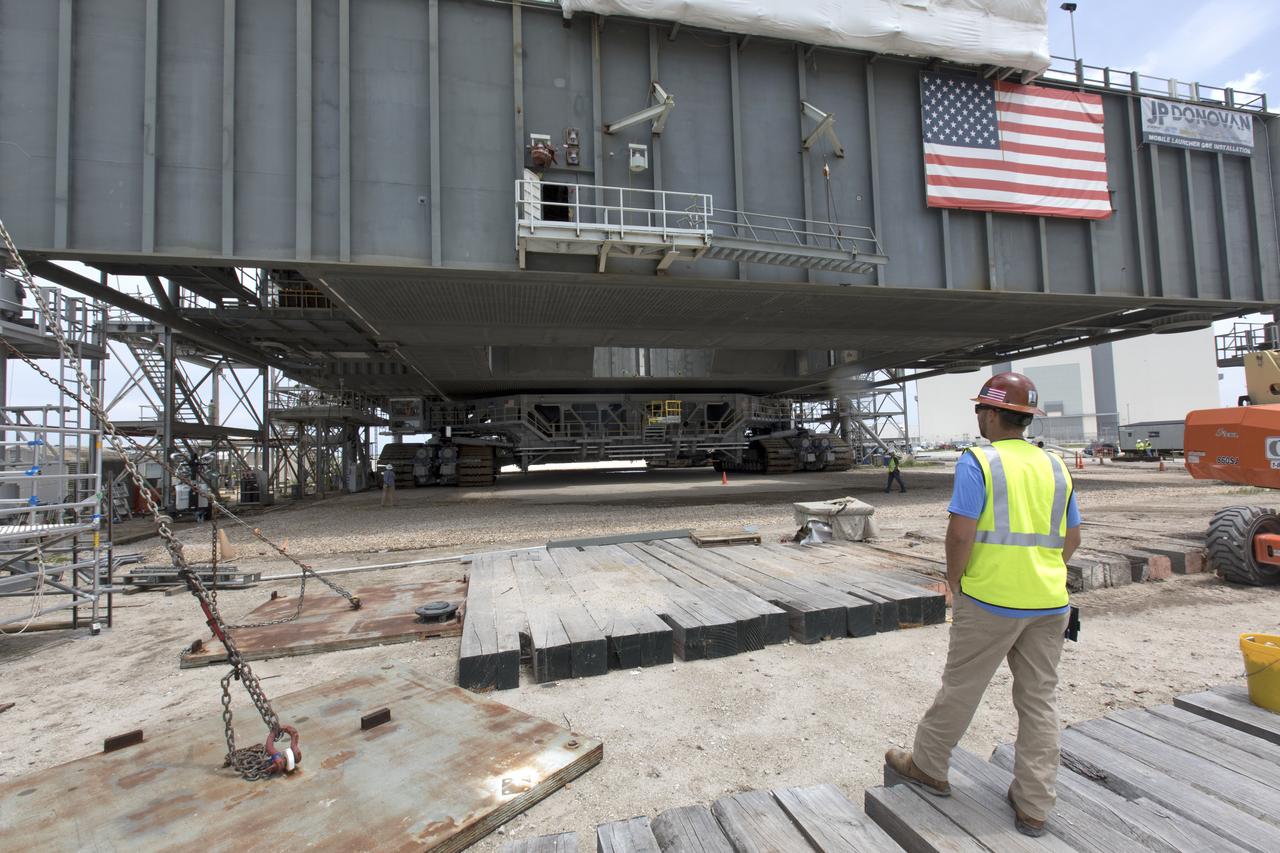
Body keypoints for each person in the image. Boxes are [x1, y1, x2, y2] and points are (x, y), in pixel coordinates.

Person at [884, 372, 1081, 838]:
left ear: (992, 414)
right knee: (1039, 701)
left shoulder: (980, 462)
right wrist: (1040, 571)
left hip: (990, 599)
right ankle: (1034, 804)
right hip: (1050, 602)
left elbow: (960, 532)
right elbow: (1071, 539)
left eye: (979, 409)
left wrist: (957, 583)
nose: (977, 417)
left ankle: (929, 767)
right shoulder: (1055, 466)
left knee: (961, 688)